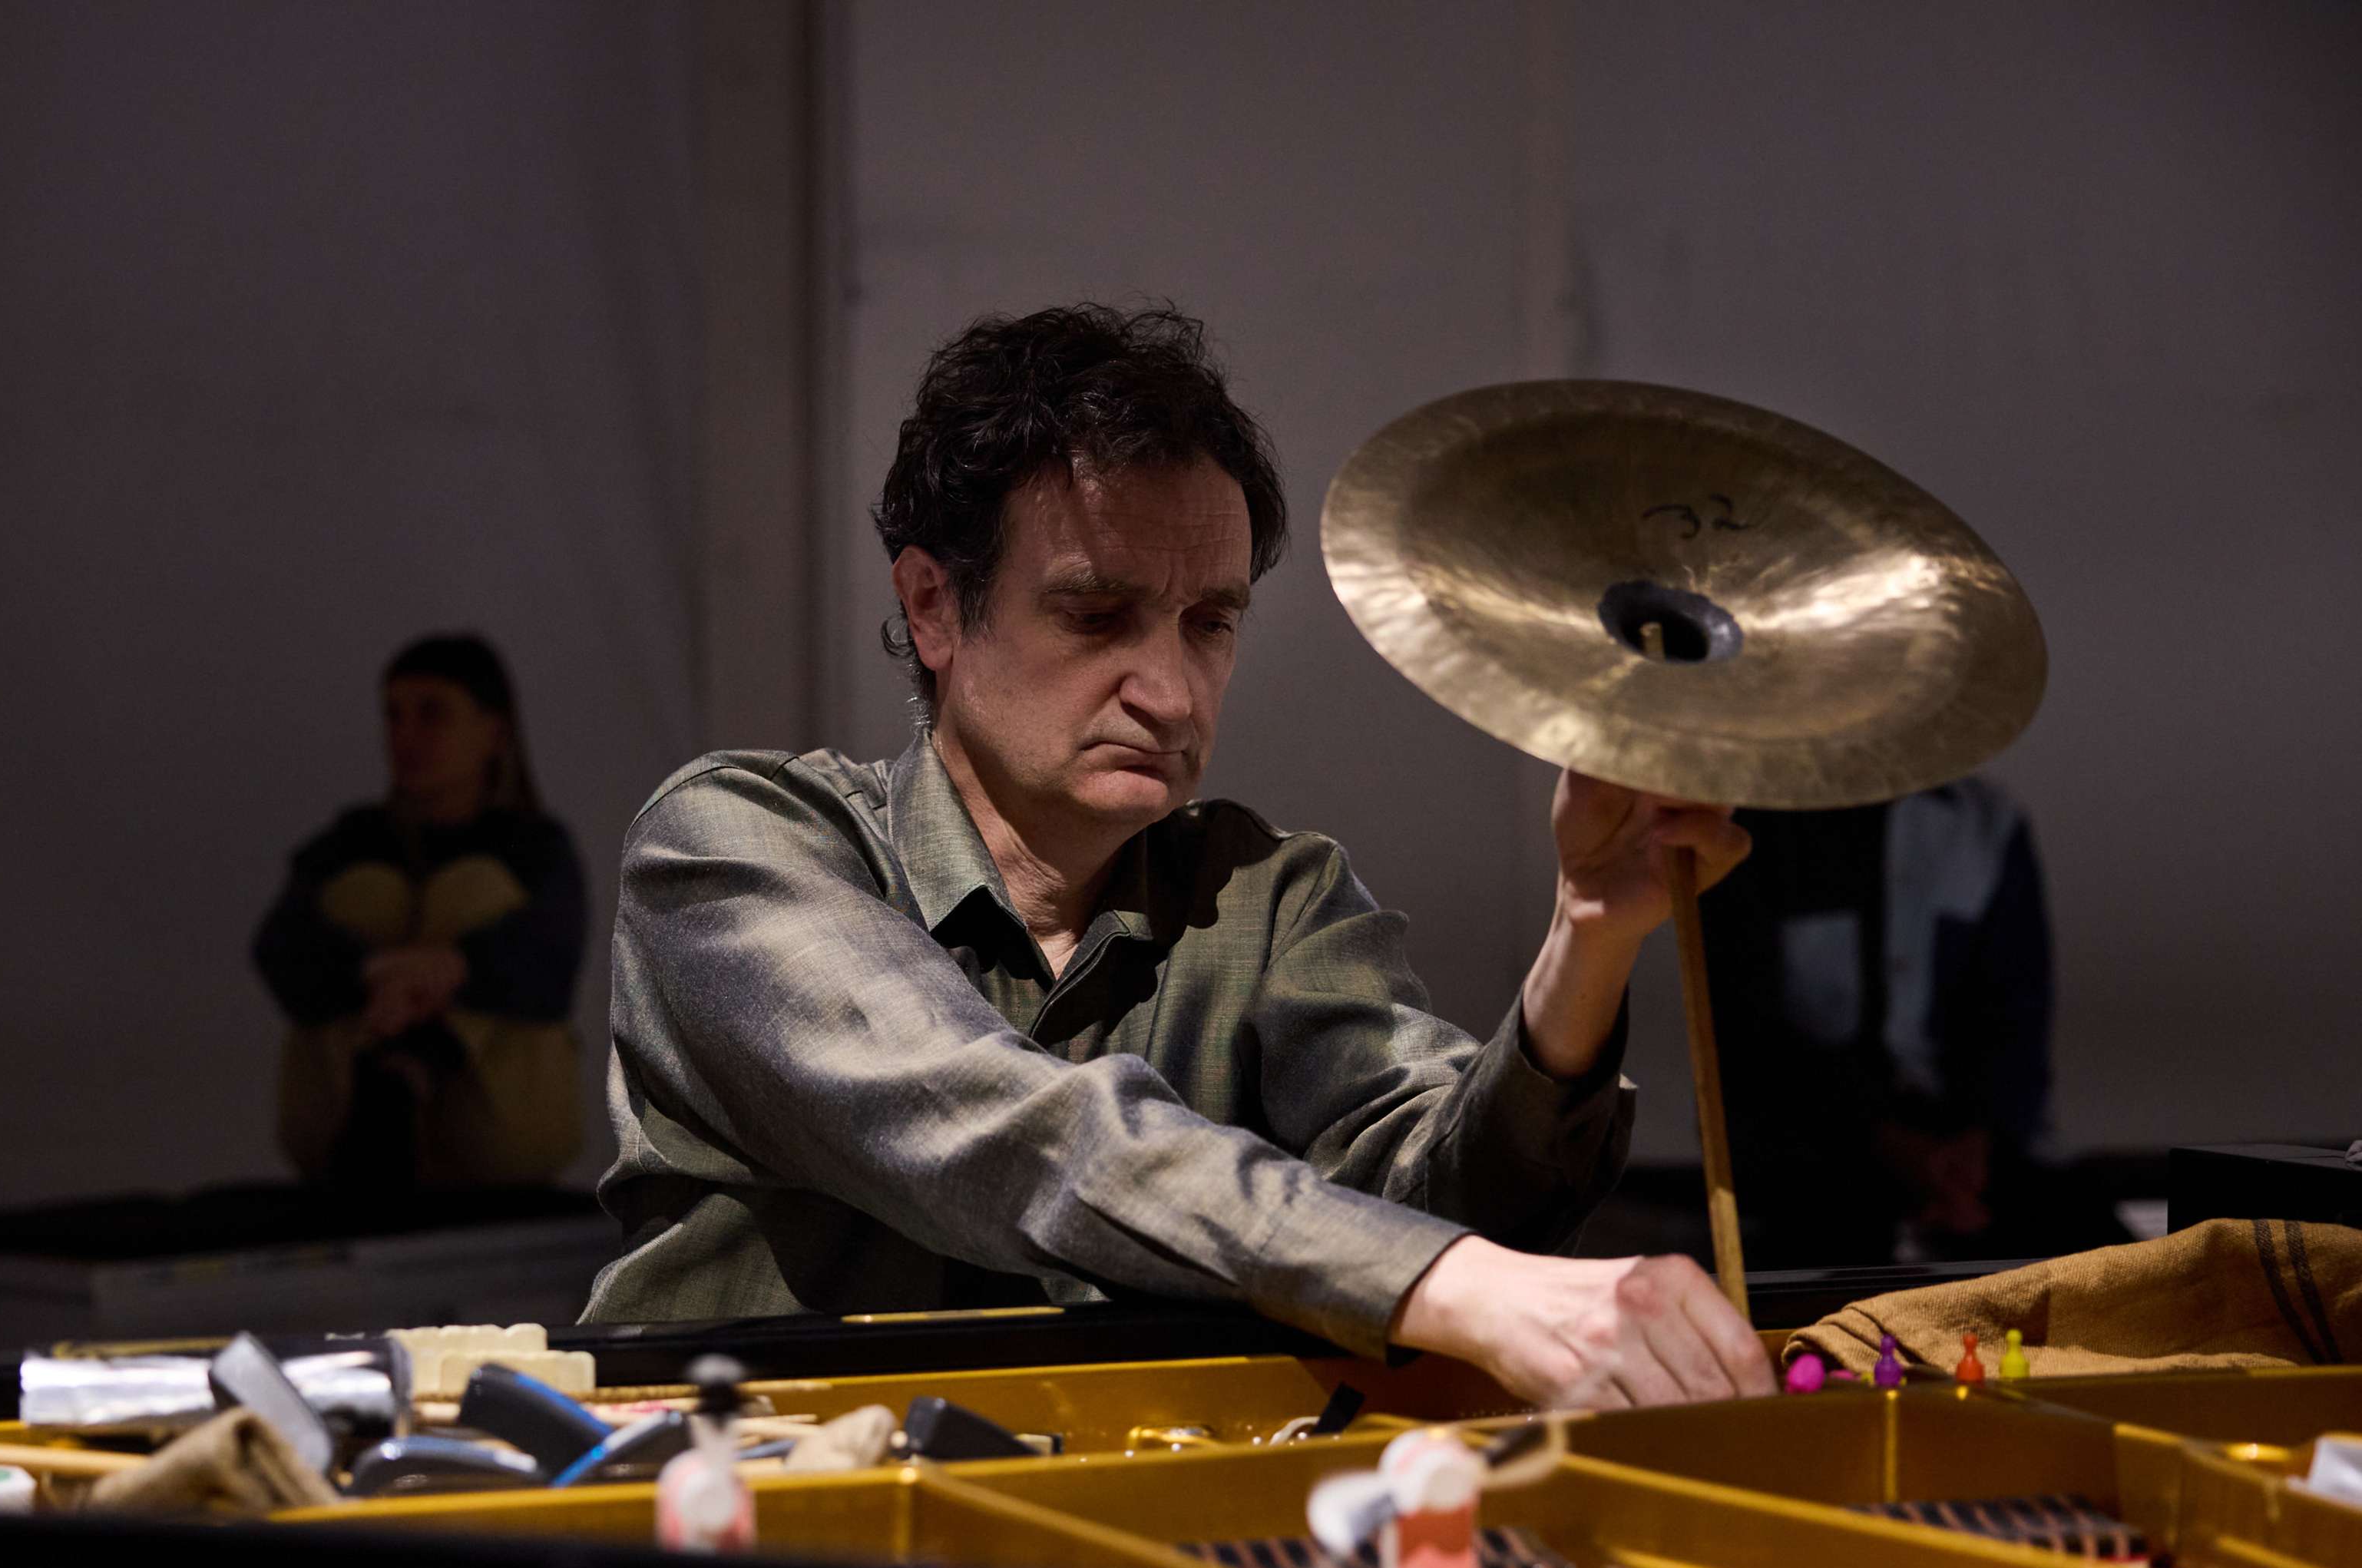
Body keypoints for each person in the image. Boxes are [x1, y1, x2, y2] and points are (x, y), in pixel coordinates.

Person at [582, 305, 1773, 1411]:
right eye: (1096, 616)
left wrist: (1588, 935)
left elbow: (1445, 1209)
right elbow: (1007, 1137)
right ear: (934, 606)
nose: (1169, 691)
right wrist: (1450, 1279)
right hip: (726, 1529)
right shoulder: (733, 842)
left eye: (1210, 623)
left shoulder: (1271, 895)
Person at [1701, 778, 2102, 1264]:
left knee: (2108, 1266)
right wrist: (1887, 1140)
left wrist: (1974, 1149)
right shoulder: (1757, 828)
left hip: (1972, 1144)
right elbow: (1746, 1034)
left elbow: (2016, 1009)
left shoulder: (1986, 823)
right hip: (1806, 1147)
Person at [253, 634, 585, 1199]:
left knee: (474, 888)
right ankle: (385, 1088)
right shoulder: (350, 840)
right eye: (393, 715)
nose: (404, 736)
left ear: (494, 732)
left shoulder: (535, 847)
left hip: (495, 1137)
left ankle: (407, 1072)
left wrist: (452, 967)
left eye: (432, 714)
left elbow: (553, 957)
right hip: (341, 1128)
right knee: (366, 893)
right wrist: (373, 969)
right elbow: (278, 946)